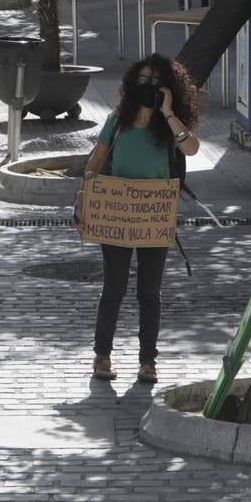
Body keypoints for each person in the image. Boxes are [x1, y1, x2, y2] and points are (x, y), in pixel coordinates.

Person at [79, 54, 201, 384]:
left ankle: (148, 361)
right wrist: (84, 201)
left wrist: (168, 112)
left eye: (155, 82)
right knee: (114, 288)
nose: (147, 87)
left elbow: (191, 148)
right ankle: (102, 355)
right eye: (142, 80)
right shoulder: (117, 120)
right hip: (116, 215)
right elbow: (96, 159)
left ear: (168, 89)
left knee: (150, 293)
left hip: (154, 218)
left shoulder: (169, 125)